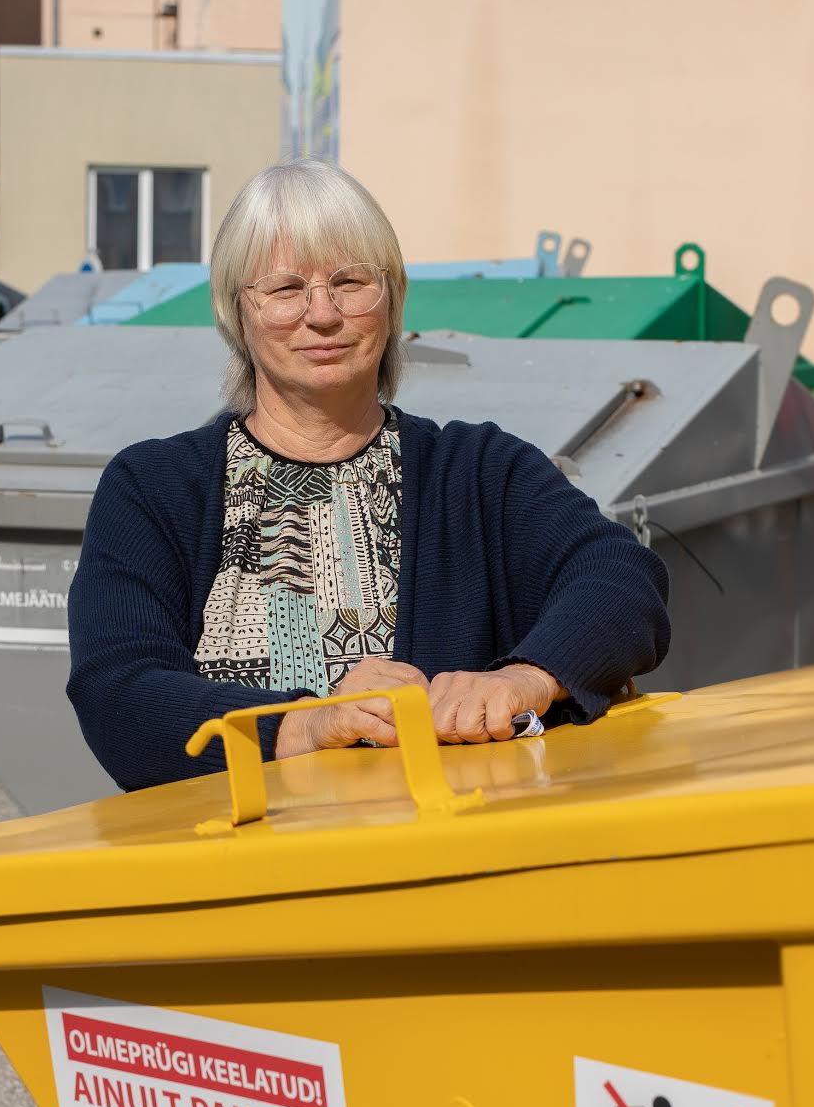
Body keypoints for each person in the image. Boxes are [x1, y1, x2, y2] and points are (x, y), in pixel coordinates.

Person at [66, 159, 669, 791]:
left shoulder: (481, 472)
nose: (322, 314)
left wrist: (525, 677)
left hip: (439, 867)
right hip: (231, 865)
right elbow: (118, 693)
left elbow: (622, 579)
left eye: (351, 282)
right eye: (284, 288)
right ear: (234, 312)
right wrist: (304, 727)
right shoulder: (153, 488)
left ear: (394, 298)